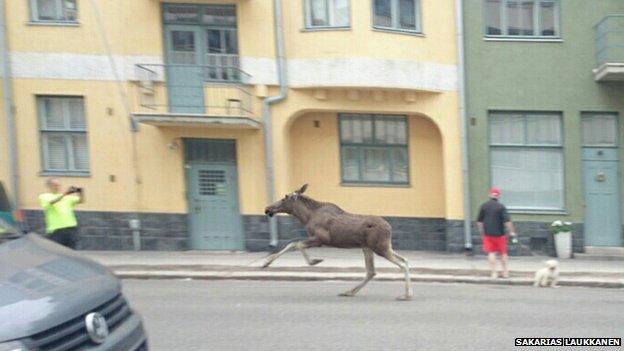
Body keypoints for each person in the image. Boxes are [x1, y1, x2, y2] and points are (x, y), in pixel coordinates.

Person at [477, 187, 516, 279]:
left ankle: (494, 273)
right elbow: (507, 221)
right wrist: (512, 232)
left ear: (490, 195)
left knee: (491, 253)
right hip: (500, 234)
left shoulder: (484, 206)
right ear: (498, 196)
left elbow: (479, 222)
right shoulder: (501, 207)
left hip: (488, 234)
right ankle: (505, 272)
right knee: (503, 253)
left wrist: (482, 232)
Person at [39, 178, 84, 249]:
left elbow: (81, 201)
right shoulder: (44, 196)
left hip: (71, 228)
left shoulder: (67, 197)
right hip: (56, 230)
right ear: (49, 186)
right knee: (57, 252)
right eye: (55, 185)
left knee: (72, 251)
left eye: (58, 185)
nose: (57, 187)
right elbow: (51, 202)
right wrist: (65, 193)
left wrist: (80, 191)